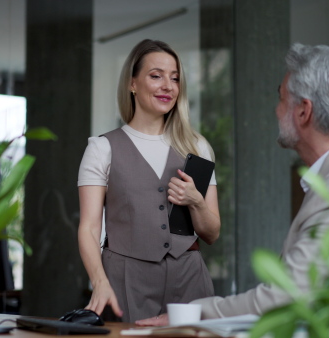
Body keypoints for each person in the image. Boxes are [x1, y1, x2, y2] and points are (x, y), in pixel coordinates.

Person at [136, 43, 329, 325]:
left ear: (304, 111)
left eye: (281, 99)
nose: (276, 110)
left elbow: (284, 298)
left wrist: (191, 313)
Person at [77, 39, 221, 323]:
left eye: (175, 78)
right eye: (156, 76)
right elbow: (89, 228)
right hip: (125, 280)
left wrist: (196, 202)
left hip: (189, 279)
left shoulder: (197, 147)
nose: (168, 86)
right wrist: (99, 281)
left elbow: (212, 232)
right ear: (132, 83)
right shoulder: (102, 148)